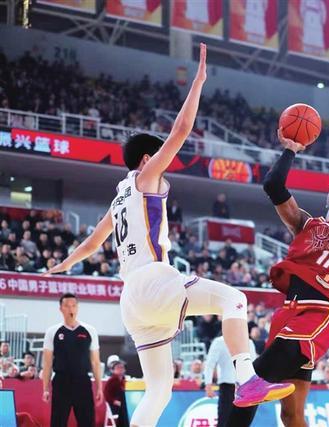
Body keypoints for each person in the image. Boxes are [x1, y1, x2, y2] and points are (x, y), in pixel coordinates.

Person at [45, 44, 294, 427]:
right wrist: (199, 81)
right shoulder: (146, 177)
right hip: (153, 282)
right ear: (147, 159)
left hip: (131, 300)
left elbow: (92, 244)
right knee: (235, 299)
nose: (166, 160)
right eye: (159, 155)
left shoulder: (118, 198)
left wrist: (64, 264)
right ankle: (246, 377)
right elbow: (180, 131)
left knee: (159, 390)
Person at [228, 110, 329, 426]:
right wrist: (290, 150)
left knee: (253, 380)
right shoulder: (304, 224)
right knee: (291, 414)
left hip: (317, 314)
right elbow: (273, 185)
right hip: (287, 314)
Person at [42, 293, 103, 427]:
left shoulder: (90, 330)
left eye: (74, 306)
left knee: (87, 422)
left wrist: (99, 387)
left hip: (82, 382)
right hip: (61, 382)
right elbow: (47, 363)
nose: (71, 309)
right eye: (67, 306)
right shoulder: (52, 331)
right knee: (58, 422)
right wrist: (45, 388)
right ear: (61, 308)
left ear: (77, 308)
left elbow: (95, 362)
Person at [205, 335, 257, 427]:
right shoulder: (220, 341)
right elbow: (209, 364)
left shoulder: (248, 342)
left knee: (241, 421)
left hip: (244, 387)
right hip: (229, 386)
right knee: (225, 420)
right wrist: (208, 384)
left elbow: (254, 366)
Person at [104, 355, 129, 427]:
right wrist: (115, 401)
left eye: (122, 367)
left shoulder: (124, 380)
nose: (120, 369)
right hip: (115, 406)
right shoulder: (112, 380)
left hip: (122, 405)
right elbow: (106, 395)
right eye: (118, 367)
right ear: (113, 370)